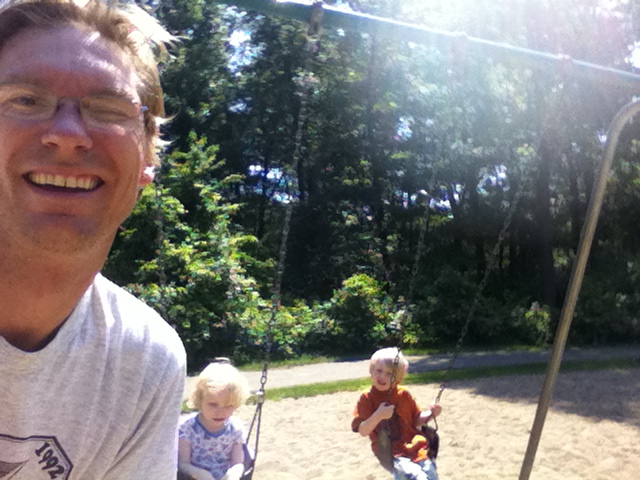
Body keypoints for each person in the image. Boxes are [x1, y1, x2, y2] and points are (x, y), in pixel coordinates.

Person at [0, 1, 186, 478]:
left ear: (147, 159)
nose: (67, 135)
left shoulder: (145, 361)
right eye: (25, 100)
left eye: (108, 110)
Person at [352, 347, 443, 480]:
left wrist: (431, 413)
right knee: (417, 477)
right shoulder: (366, 398)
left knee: (431, 475)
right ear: (371, 370)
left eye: (390, 374)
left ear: (398, 378)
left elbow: (415, 419)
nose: (382, 376)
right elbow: (363, 431)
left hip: (415, 446)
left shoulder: (403, 394)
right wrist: (378, 415)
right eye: (379, 371)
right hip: (388, 450)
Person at [178, 360, 250, 480]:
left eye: (229, 406)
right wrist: (200, 474)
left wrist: (233, 474)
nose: (221, 412)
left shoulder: (235, 428)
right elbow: (183, 464)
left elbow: (238, 463)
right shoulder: (186, 428)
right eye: (213, 404)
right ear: (199, 399)